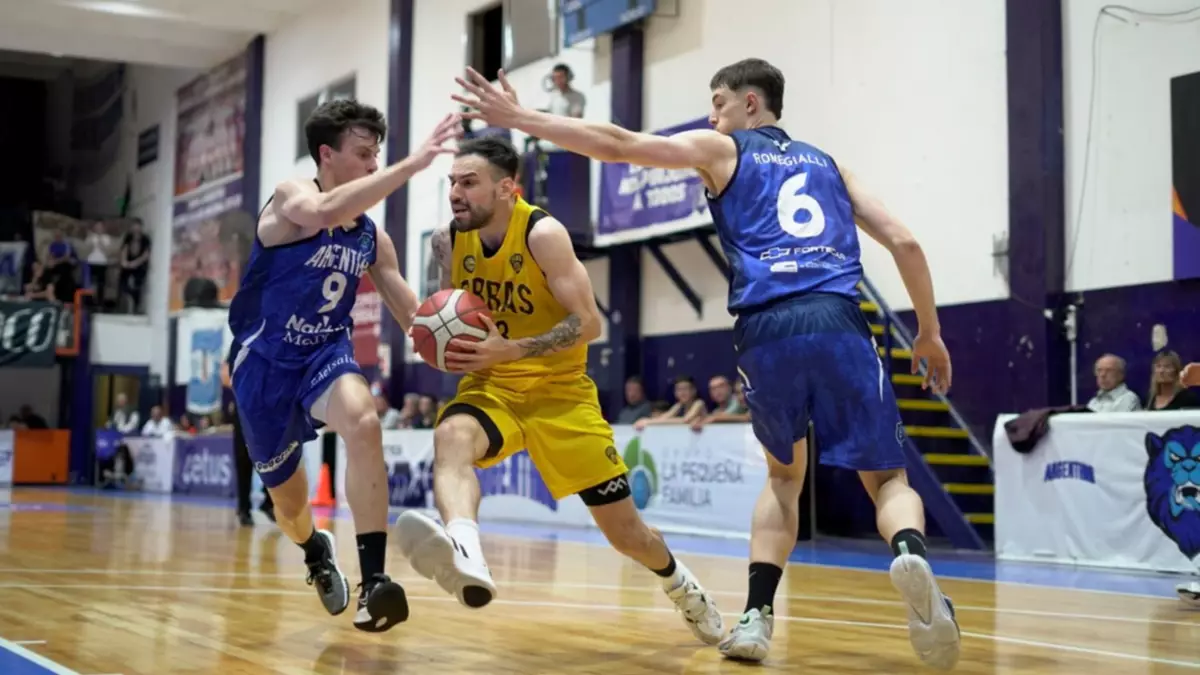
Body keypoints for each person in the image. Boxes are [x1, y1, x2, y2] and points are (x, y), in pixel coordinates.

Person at [451, 59, 960, 668]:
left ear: (751, 103)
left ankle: (756, 619)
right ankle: (909, 555)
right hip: (839, 319)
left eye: (718, 102)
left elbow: (619, 145)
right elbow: (905, 242)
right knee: (887, 480)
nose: (711, 114)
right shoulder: (830, 165)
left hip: (767, 328)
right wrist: (928, 333)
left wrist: (521, 118)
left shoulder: (723, 151)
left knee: (783, 480)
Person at [393, 136, 724, 645]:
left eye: (469, 182)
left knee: (627, 536)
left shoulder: (543, 234)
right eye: (452, 182)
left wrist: (511, 349)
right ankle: (465, 551)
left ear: (507, 188)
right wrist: (441, 344)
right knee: (451, 437)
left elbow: (589, 323)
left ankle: (679, 583)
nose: (455, 192)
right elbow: (449, 315)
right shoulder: (447, 242)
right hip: (493, 388)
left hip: (561, 393)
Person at [226, 98, 461, 633]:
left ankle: (374, 583)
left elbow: (417, 322)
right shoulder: (291, 197)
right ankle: (315, 550)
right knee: (290, 509)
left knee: (364, 420)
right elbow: (322, 212)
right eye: (364, 153)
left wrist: (452, 300)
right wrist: (415, 163)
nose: (374, 163)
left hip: (325, 352)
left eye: (378, 154)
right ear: (326, 154)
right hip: (264, 367)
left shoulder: (372, 238)